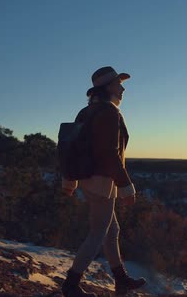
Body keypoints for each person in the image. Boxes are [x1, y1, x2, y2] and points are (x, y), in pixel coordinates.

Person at [61, 66, 146, 297]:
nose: (122, 87)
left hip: (88, 178)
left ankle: (121, 279)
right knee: (98, 232)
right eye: (119, 83)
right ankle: (70, 284)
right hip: (102, 180)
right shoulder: (109, 112)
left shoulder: (85, 112)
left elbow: (71, 148)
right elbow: (109, 153)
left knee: (111, 229)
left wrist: (69, 180)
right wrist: (126, 186)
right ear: (108, 87)